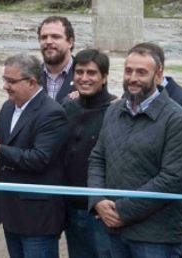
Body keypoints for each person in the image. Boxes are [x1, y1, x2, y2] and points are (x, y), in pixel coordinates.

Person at [88, 44, 182, 258]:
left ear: (158, 76)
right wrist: (98, 200)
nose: (132, 78)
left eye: (141, 72)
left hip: (156, 238)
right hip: (114, 230)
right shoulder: (113, 111)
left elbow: (172, 179)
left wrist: (123, 211)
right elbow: (97, 159)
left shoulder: (177, 120)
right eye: (128, 71)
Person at [0, 53, 68, 258]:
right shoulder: (7, 107)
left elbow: (39, 159)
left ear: (32, 82)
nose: (5, 86)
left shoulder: (51, 113)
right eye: (5, 80)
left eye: (11, 81)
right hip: (10, 209)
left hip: (37, 216)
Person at [132, 42, 182, 258]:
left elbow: (176, 152)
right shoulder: (133, 98)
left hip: (178, 195)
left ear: (158, 71)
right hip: (143, 196)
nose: (135, 77)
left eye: (142, 71)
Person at [61, 49, 115, 258]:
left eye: (91, 73)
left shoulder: (116, 110)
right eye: (79, 72)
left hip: (101, 212)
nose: (84, 78)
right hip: (71, 208)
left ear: (104, 78)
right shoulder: (67, 106)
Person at [37, 16, 76, 103]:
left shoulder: (86, 76)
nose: (48, 42)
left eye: (55, 37)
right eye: (44, 37)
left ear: (70, 42)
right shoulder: (30, 76)